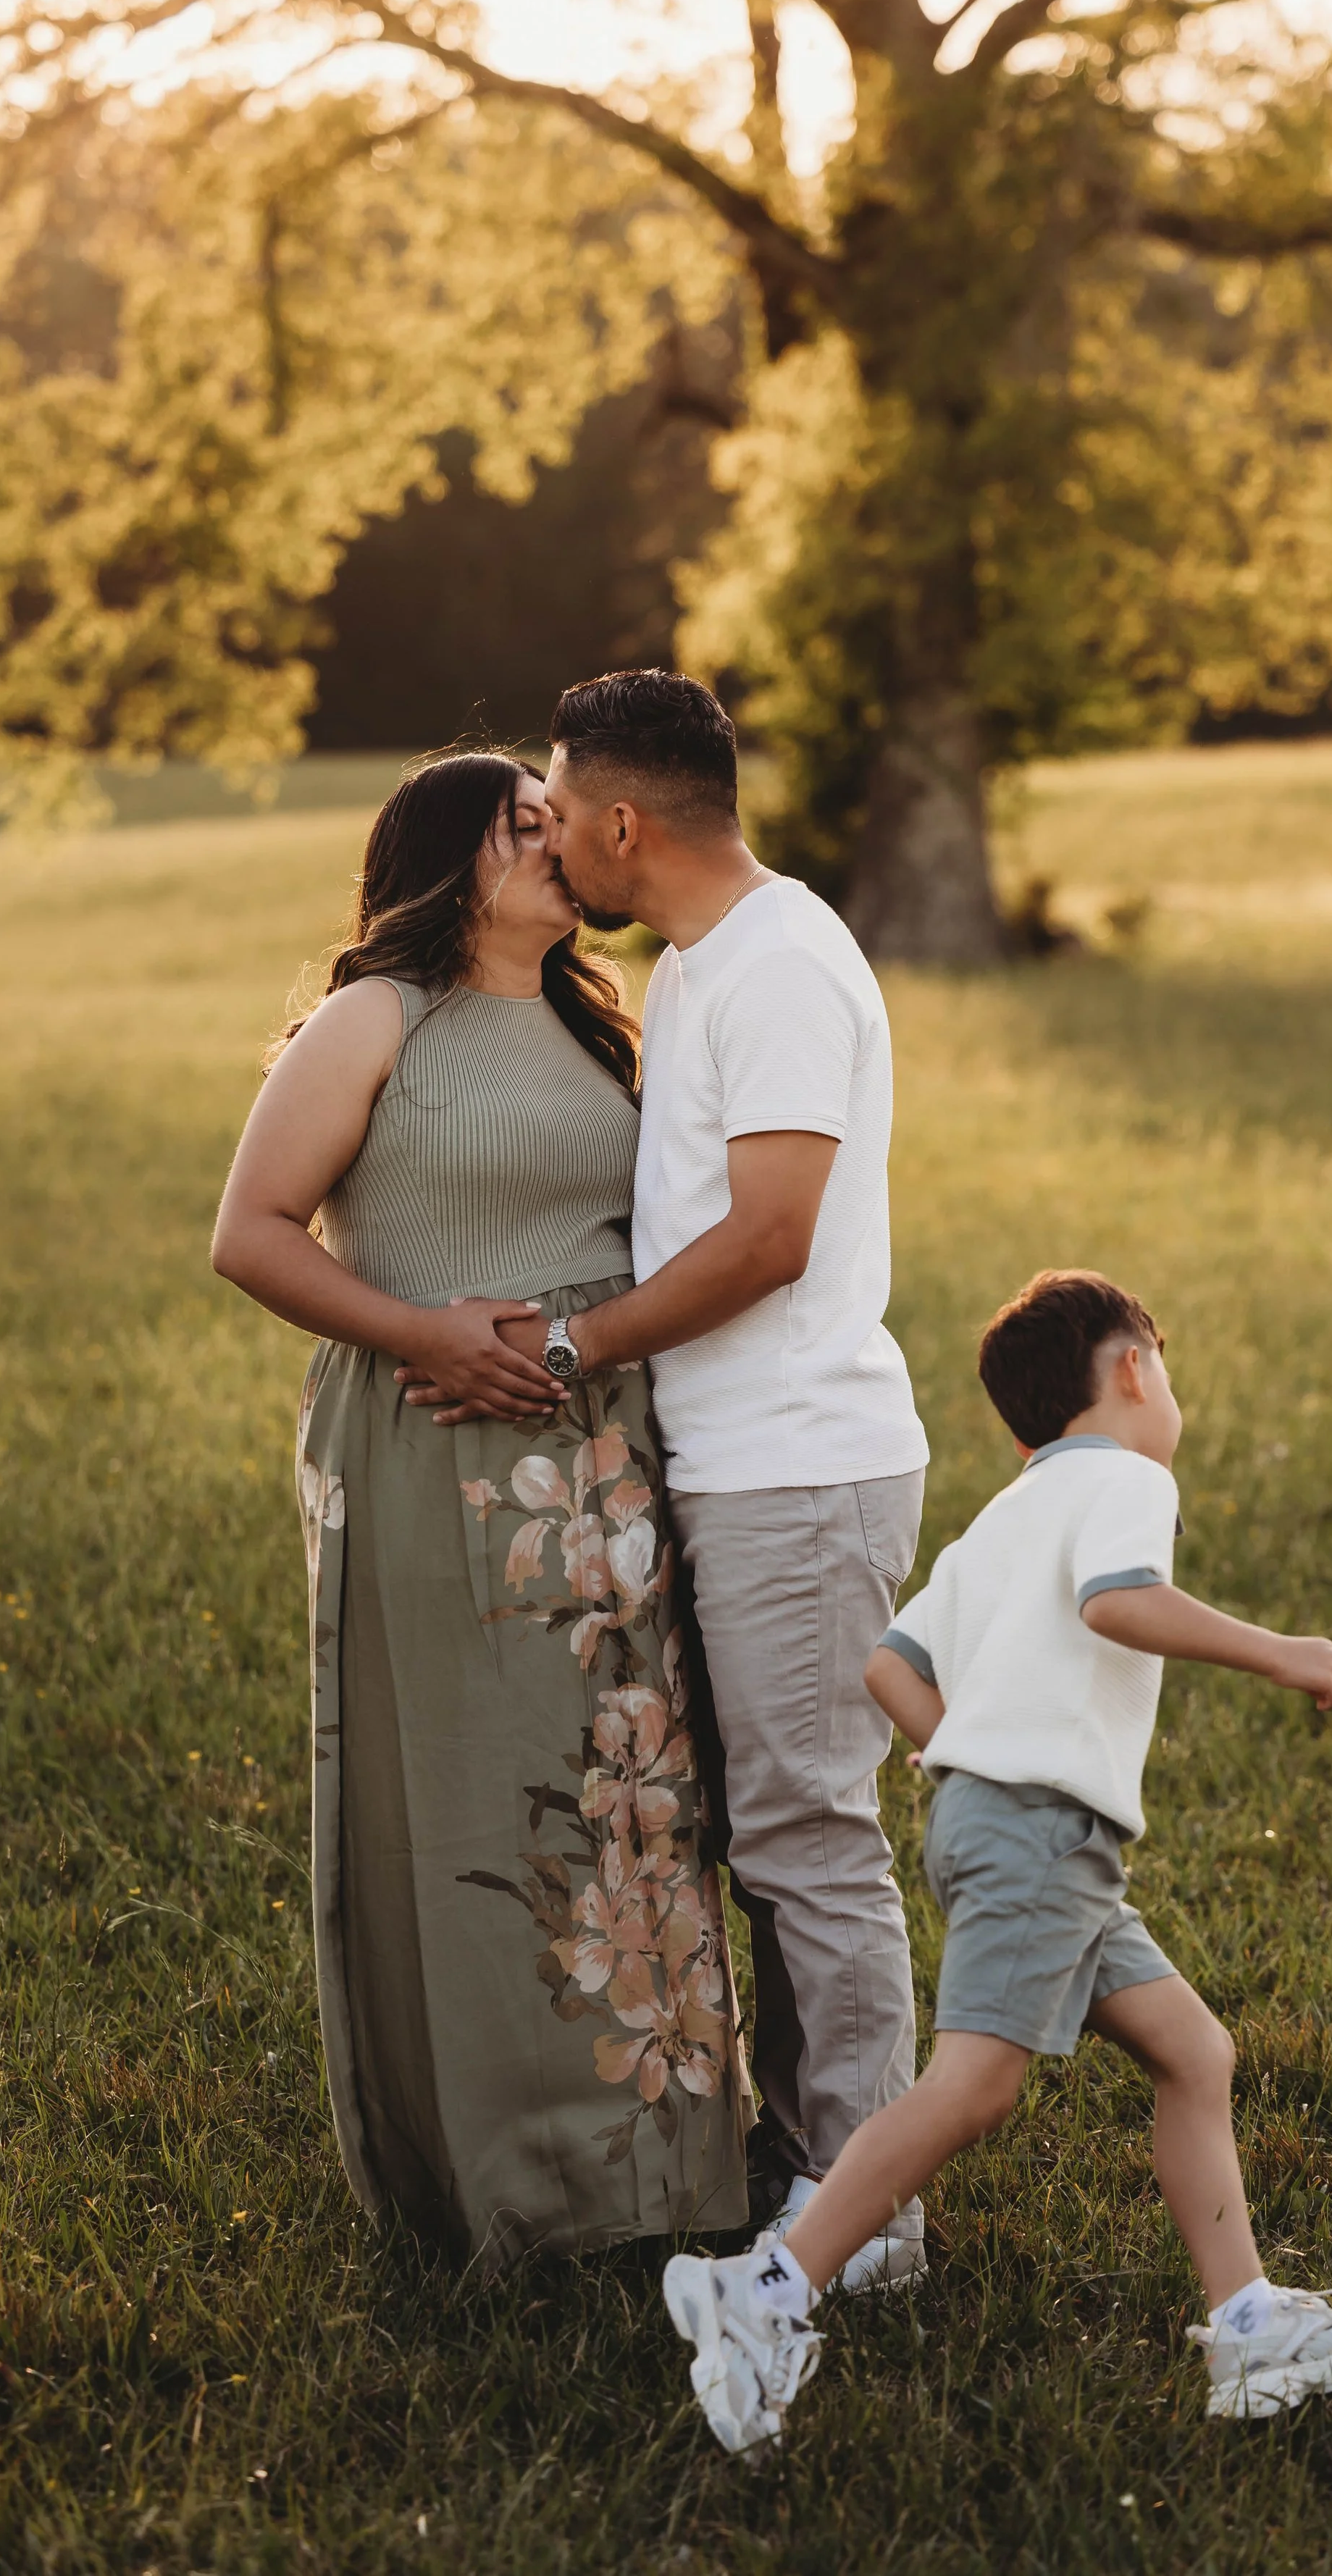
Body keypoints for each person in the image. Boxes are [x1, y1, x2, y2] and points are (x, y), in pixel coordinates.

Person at [661, 1269, 1332, 2450]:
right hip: (1040, 1824)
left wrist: (973, 1749)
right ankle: (766, 2288)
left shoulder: (1004, 1515)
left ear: (1020, 1425)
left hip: (1006, 1823)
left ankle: (1249, 2317)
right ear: (1133, 1371)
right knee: (976, 2086)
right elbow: (1119, 1602)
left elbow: (888, 1669)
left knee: (1194, 2050)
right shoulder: (1128, 1478)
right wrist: (1282, 1649)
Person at [409, 670, 931, 2287]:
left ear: (623, 822)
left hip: (798, 1470)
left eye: (559, 813)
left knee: (807, 1844)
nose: (552, 840)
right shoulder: (708, 964)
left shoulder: (775, 966)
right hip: (730, 1467)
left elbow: (767, 1244)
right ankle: (800, 2155)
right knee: (754, 1833)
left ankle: (868, 2212)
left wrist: (568, 1352)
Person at [210, 753, 747, 2270]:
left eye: (556, 818)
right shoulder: (373, 1016)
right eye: (524, 822)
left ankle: (658, 2174)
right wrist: (425, 1333)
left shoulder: (594, 1021)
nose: (557, 840)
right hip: (434, 1432)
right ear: (451, 858)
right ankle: (499, 2192)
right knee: (465, 1799)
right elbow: (246, 1234)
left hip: (595, 1448)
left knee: (627, 1797)